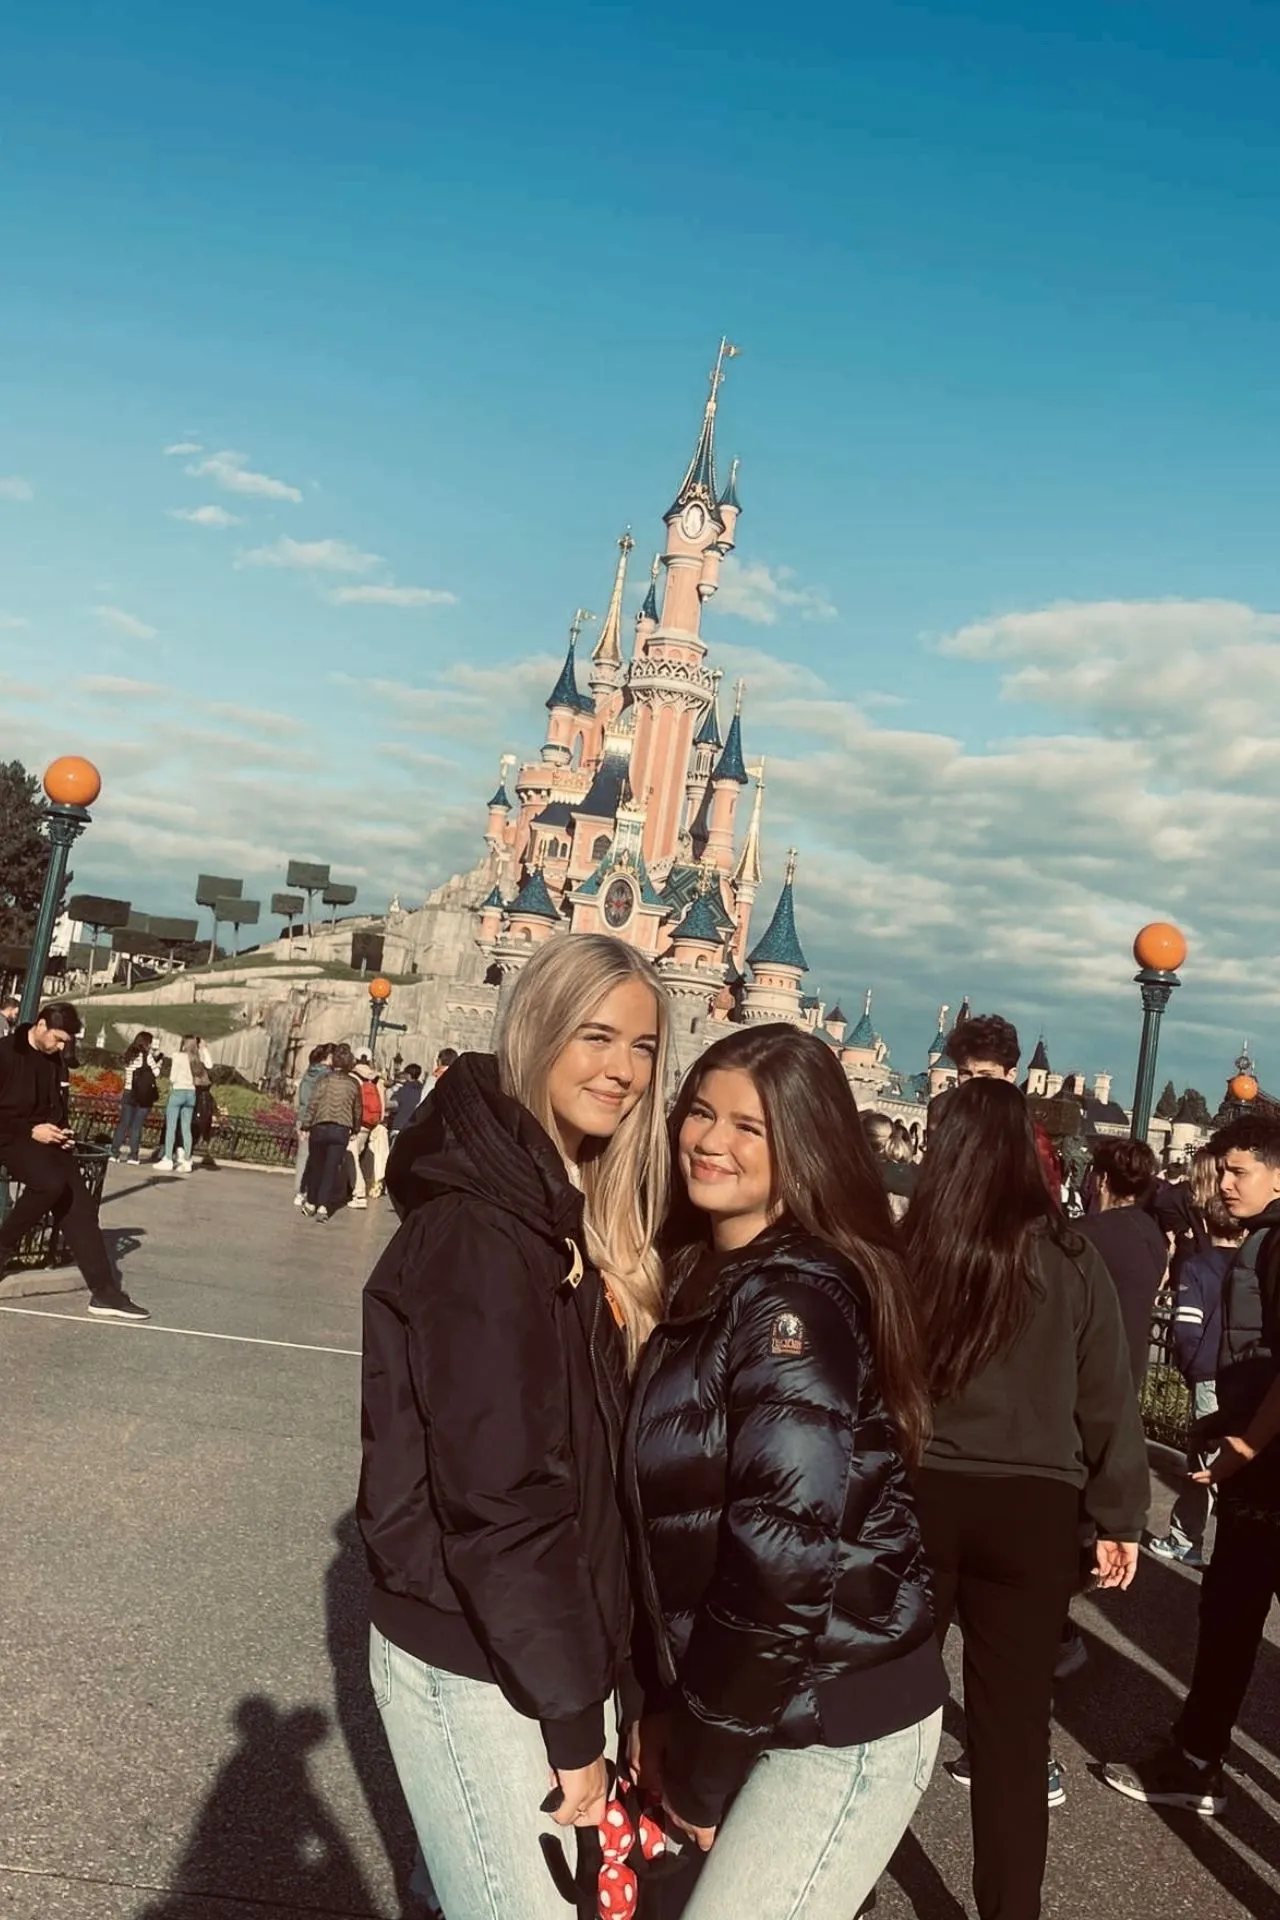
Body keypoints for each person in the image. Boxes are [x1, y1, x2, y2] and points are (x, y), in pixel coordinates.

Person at [358, 933, 670, 1918]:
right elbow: (502, 1492)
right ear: (536, 1032)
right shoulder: (483, 1231)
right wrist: (574, 1721)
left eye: (643, 1047)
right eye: (595, 1037)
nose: (622, 1070)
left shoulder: (557, 1211)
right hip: (477, 1653)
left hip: (531, 1645)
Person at [626, 1024, 944, 1918]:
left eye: (748, 1128)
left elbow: (781, 1554)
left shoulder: (786, 1304)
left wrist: (703, 1765)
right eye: (700, 1113)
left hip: (836, 1713)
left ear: (802, 1145)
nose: (709, 1142)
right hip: (759, 1697)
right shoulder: (709, 1273)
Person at [906, 1078, 1147, 1920]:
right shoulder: (1070, 1258)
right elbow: (1107, 1396)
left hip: (923, 1490)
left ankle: (849, 1875)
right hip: (1035, 1502)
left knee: (886, 1709)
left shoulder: (911, 1253)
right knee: (1012, 1733)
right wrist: (1119, 1514)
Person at [1103, 1115, 1280, 1817]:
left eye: (1239, 1171)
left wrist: (1248, 1444)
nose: (1224, 1184)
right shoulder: (1264, 1242)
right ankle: (1197, 1754)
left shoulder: (1275, 1244)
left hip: (1267, 1474)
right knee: (1230, 1614)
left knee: (1231, 1616)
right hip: (1260, 1460)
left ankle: (1196, 1760)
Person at [0, 1003, 149, 1319]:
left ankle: (105, 1292)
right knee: (50, 1184)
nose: (60, 1047)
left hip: (46, 1139)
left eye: (65, 1042)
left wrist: (62, 1131)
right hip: (9, 1137)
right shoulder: (5, 1053)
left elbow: (55, 1106)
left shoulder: (55, 1060)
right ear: (41, 1025)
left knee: (80, 1208)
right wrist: (29, 1130)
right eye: (57, 1039)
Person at [1146, 1150, 1244, 1569]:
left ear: (1206, 1223)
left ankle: (1187, 1538)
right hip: (1243, 1373)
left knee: (1205, 1463)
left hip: (1207, 1371)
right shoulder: (1251, 1266)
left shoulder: (1198, 1269)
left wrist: (1189, 1369)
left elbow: (1186, 1330)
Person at [1080, 1138, 1168, 1388]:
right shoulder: (1151, 1232)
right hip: (1130, 1368)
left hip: (1086, 1371)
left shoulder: (1083, 1236)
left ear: (1102, 1180)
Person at [301, 1044, 363, 1220]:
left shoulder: (324, 1079)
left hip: (320, 1125)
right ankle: (323, 1207)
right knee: (331, 1168)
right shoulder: (353, 1084)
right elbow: (357, 1109)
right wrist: (356, 1128)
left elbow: (314, 1102)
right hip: (341, 1128)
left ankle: (311, 1202)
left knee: (317, 1166)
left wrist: (306, 1125)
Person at [157, 1034, 213, 1172]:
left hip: (178, 1092)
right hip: (191, 1094)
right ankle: (187, 1161)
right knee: (186, 1128)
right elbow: (209, 1065)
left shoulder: (178, 1056)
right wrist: (204, 1049)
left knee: (171, 1127)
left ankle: (168, 1159)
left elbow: (173, 1077)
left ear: (183, 1044)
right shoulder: (196, 1059)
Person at [112, 1030, 164, 1164]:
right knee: (136, 1126)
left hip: (128, 1092)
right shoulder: (147, 1056)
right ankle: (133, 1156)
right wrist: (158, 1064)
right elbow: (156, 1073)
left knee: (123, 1124)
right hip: (143, 1095)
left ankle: (114, 1153)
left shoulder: (129, 1055)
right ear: (146, 1043)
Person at [292, 1044, 331, 1208]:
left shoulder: (308, 1072)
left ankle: (299, 1192)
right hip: (317, 1119)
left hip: (302, 1118)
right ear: (327, 1057)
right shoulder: (327, 1076)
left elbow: (298, 1099)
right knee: (319, 1158)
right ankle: (312, 1192)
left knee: (303, 1156)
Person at [348, 1056, 389, 1209]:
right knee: (363, 1155)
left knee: (352, 1156)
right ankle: (362, 1186)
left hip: (357, 1122)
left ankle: (357, 1191)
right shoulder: (377, 1079)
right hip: (371, 1121)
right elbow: (382, 1103)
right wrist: (379, 1119)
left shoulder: (352, 1076)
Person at [385, 1062, 424, 1137]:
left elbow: (390, 1105)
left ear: (409, 1075)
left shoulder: (404, 1089)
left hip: (399, 1124)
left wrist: (389, 1091)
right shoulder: (421, 1089)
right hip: (413, 1126)